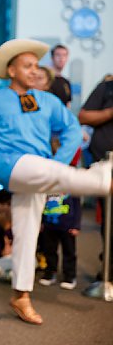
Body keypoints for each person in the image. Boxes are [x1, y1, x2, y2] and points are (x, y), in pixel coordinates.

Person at [0, 38, 112, 325]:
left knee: (27, 235)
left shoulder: (48, 100)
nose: (33, 70)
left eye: (35, 66)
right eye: (27, 66)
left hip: (41, 171)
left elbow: (71, 129)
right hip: (11, 165)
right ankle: (104, 180)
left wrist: (59, 162)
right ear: (11, 70)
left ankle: (21, 295)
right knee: (45, 175)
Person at [79, 73, 113, 283]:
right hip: (107, 164)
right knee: (110, 222)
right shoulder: (107, 88)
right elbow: (83, 117)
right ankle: (108, 269)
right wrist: (110, 112)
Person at [38, 193, 81, 289]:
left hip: (68, 227)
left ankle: (69, 277)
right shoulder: (47, 188)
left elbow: (77, 208)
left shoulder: (72, 189)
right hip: (49, 225)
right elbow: (40, 204)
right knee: (49, 251)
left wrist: (76, 225)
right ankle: (49, 273)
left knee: (69, 252)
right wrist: (40, 222)